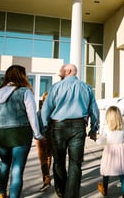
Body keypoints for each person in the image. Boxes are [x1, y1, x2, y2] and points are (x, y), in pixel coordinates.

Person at [0, 65, 43, 198]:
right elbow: (32, 115)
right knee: (17, 168)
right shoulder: (25, 91)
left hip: (1, 134)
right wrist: (37, 134)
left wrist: (0, 122)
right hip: (20, 134)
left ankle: (1, 193)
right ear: (21, 76)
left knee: (4, 164)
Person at [41, 63, 99, 198]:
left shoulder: (56, 87)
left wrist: (44, 127)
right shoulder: (86, 87)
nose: (59, 71)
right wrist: (94, 128)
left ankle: (61, 191)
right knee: (75, 163)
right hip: (79, 126)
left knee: (58, 161)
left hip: (58, 127)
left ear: (68, 71)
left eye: (61, 69)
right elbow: (94, 110)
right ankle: (71, 195)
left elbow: (46, 108)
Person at [97, 106, 124, 198]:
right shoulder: (123, 125)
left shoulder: (106, 127)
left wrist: (96, 139)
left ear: (108, 116)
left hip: (110, 152)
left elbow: (100, 141)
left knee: (106, 171)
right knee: (123, 175)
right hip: (121, 151)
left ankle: (105, 190)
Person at [36, 91, 52, 192]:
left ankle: (46, 179)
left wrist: (37, 135)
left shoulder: (39, 113)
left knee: (43, 159)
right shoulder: (55, 112)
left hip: (41, 138)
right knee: (49, 157)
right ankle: (47, 176)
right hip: (49, 137)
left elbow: (35, 126)